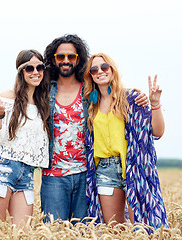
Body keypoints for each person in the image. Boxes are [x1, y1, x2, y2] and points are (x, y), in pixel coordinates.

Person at [40, 34, 149, 223]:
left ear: (79, 59)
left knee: (86, 232)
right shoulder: (44, 91)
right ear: (53, 59)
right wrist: (0, 110)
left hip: (86, 173)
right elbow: (21, 96)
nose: (66, 61)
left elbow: (114, 94)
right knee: (53, 231)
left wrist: (144, 99)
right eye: (60, 57)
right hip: (54, 176)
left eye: (71, 57)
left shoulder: (89, 91)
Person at [83, 52, 169, 230]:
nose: (100, 71)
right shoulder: (91, 106)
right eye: (94, 69)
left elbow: (157, 132)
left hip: (133, 169)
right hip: (105, 172)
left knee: (142, 228)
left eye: (104, 67)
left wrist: (154, 104)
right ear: (90, 75)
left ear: (112, 70)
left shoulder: (131, 98)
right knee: (114, 230)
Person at [0, 49, 50, 231]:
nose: (35, 72)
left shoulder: (43, 102)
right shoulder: (8, 97)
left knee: (22, 233)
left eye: (40, 67)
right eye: (29, 68)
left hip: (26, 174)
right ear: (21, 72)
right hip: (0, 168)